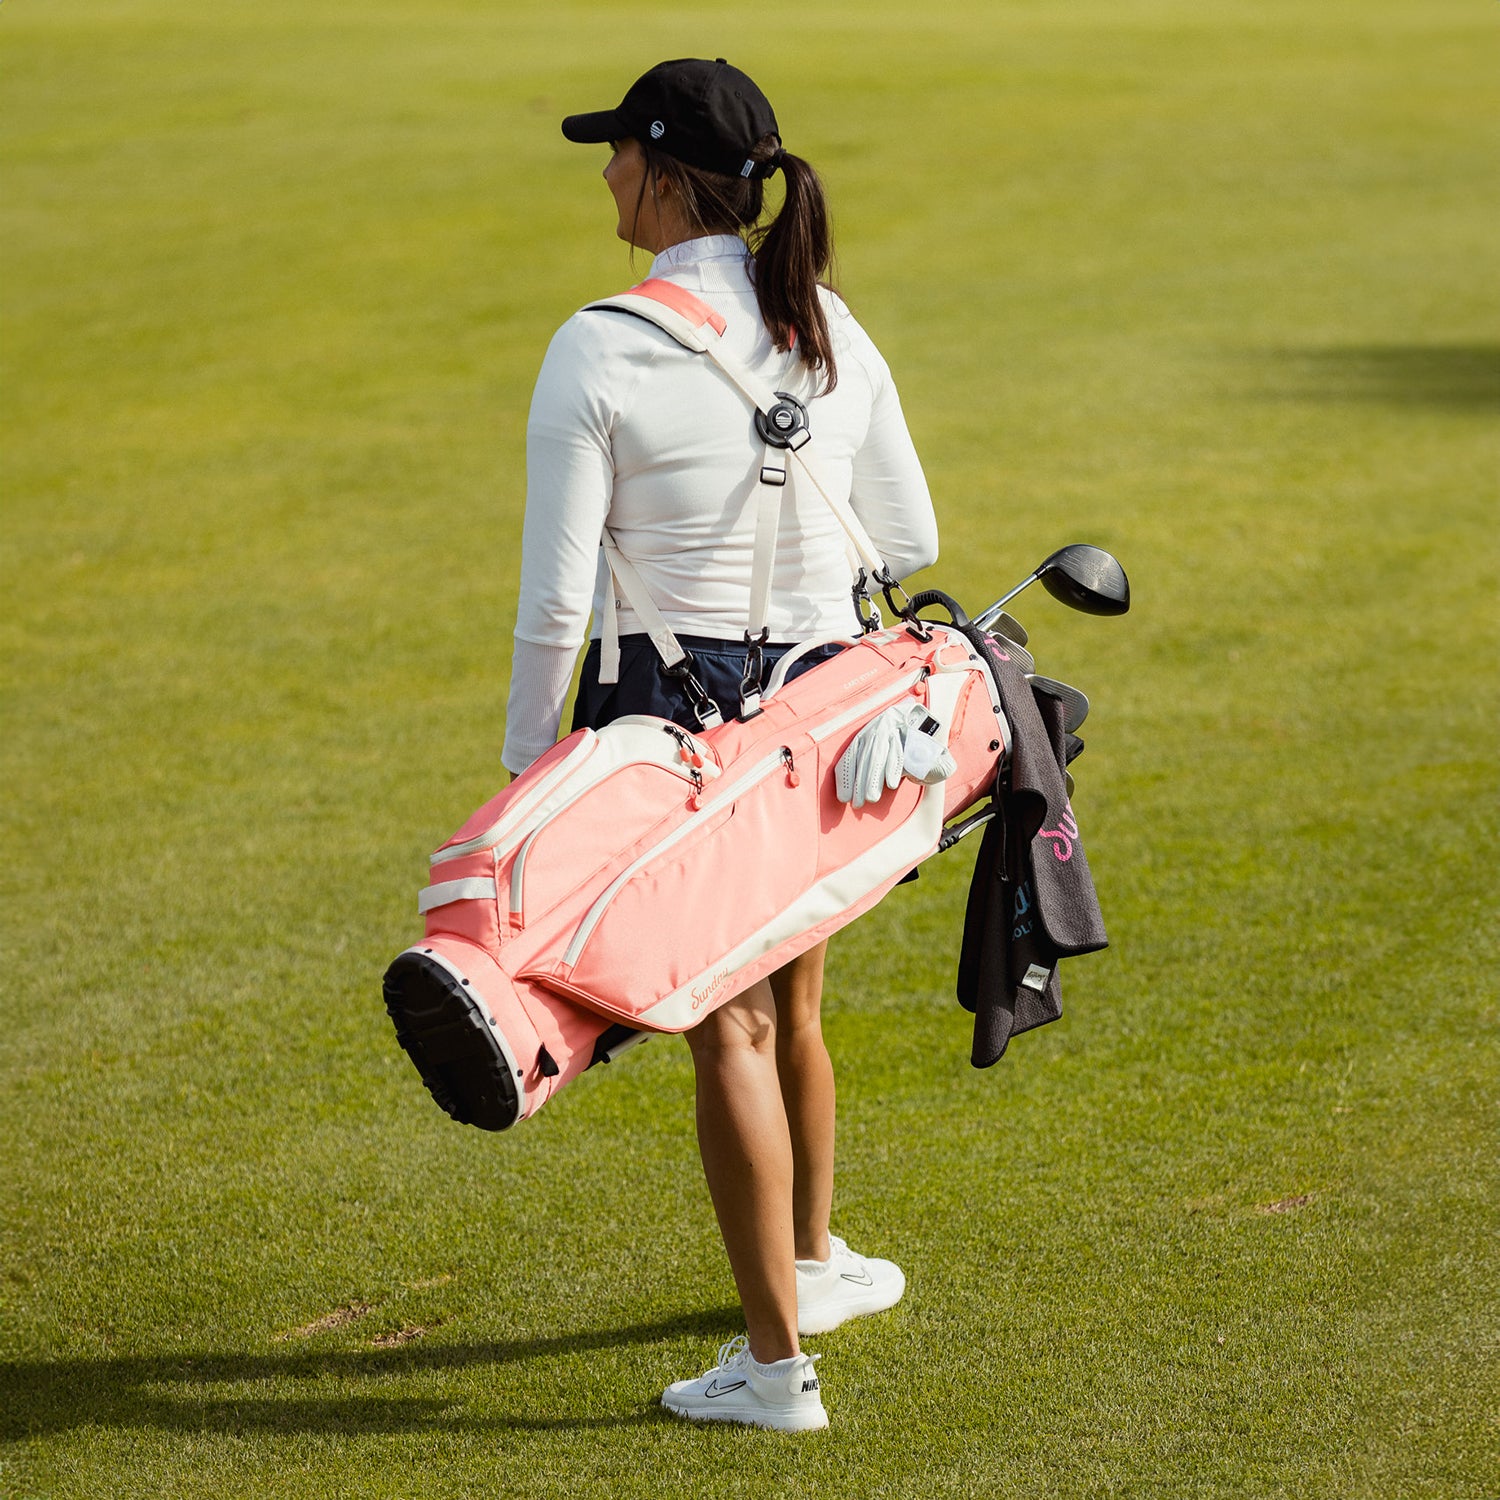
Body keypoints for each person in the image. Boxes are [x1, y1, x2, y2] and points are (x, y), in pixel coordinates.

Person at [500, 57, 939, 1431]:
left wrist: (528, 780)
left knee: (727, 1029)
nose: (603, 177)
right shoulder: (827, 320)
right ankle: (814, 1265)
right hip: (829, 717)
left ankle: (775, 1371)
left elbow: (556, 602)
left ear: (659, 167)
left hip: (672, 729)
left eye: (614, 154)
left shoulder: (601, 344)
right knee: (790, 1004)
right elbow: (912, 538)